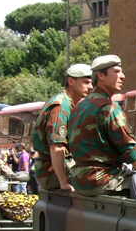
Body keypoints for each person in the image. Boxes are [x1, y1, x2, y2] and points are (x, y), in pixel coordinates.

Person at [69, 55, 136, 195]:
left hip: (79, 180)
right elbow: (131, 151)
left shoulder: (79, 106)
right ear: (101, 76)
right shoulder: (108, 109)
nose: (123, 76)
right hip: (102, 180)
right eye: (117, 71)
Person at [32, 62, 93, 191]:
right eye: (86, 82)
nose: (90, 87)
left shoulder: (69, 104)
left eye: (91, 83)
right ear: (70, 81)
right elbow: (57, 147)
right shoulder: (61, 107)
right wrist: (63, 183)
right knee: (97, 179)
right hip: (50, 173)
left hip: (57, 168)